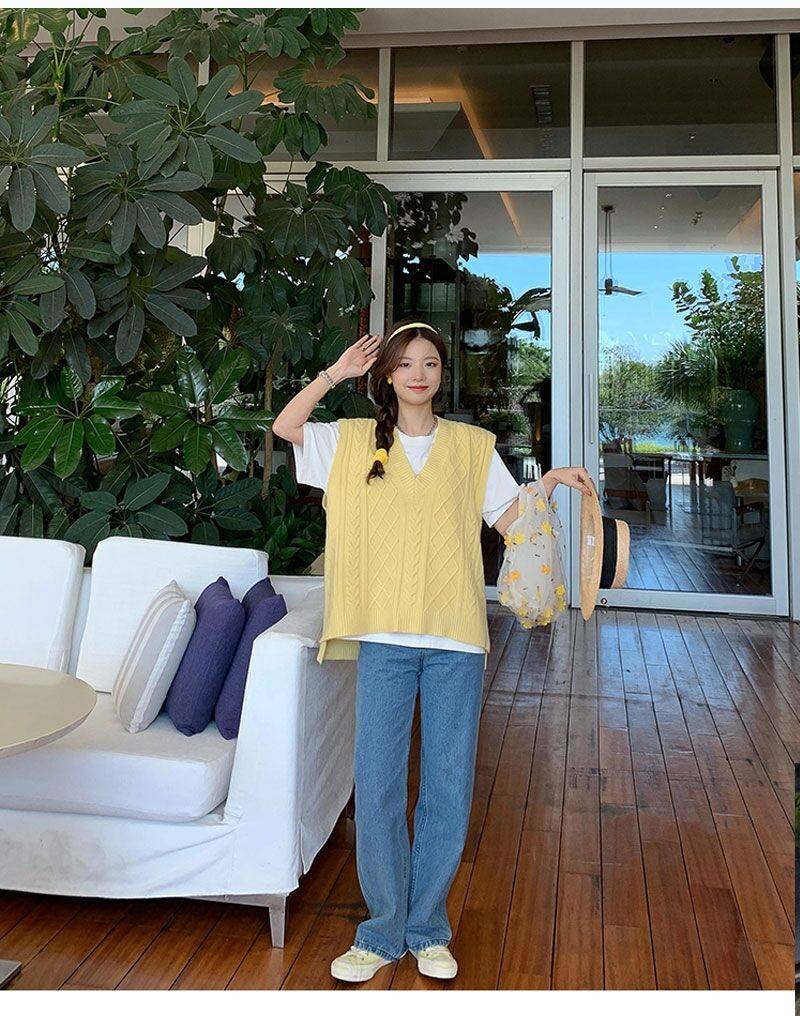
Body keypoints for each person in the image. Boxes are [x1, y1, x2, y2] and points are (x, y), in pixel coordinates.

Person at [272, 320, 594, 983]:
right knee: (379, 787)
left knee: (447, 788)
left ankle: (428, 930)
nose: (418, 373)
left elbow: (512, 522)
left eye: (430, 363)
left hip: (455, 640)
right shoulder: (351, 441)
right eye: (405, 363)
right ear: (387, 375)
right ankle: (381, 932)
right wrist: (335, 373)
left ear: (442, 375)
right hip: (384, 637)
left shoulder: (473, 447)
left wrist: (548, 484)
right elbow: (286, 425)